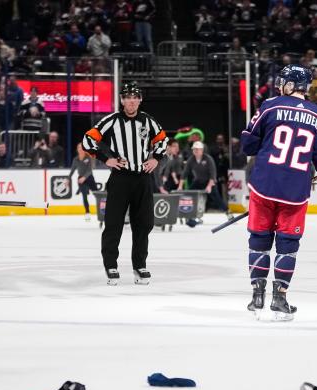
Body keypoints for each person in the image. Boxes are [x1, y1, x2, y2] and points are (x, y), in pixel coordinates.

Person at [239, 64, 317, 320]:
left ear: (288, 85)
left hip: (263, 185)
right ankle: (279, 298)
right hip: (295, 192)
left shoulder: (270, 105)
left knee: (259, 239)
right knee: (287, 246)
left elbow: (248, 144)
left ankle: (257, 296)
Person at [82, 82, 168, 285]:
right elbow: (88, 140)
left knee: (144, 224)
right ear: (122, 100)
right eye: (127, 97)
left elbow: (163, 140)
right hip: (120, 178)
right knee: (113, 224)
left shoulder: (148, 121)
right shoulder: (112, 120)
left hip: (142, 179)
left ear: (139, 100)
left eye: (134, 97)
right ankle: (111, 265)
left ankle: (140, 265)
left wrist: (156, 158)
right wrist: (106, 159)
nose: (130, 100)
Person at [181, 141, 227, 212]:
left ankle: (227, 212)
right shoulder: (191, 159)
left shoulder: (208, 159)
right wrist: (180, 186)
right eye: (194, 149)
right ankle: (188, 213)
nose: (195, 151)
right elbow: (185, 173)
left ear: (202, 150)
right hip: (198, 181)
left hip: (209, 181)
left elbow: (213, 174)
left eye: (197, 149)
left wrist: (209, 186)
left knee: (216, 198)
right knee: (189, 194)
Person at [68, 142, 97, 220]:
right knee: (84, 196)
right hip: (81, 179)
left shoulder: (88, 157)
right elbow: (72, 171)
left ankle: (103, 211)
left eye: (82, 147)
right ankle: (87, 212)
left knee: (97, 195)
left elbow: (89, 170)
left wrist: (84, 177)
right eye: (78, 147)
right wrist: (68, 180)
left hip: (89, 178)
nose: (80, 149)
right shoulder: (75, 159)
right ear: (77, 149)